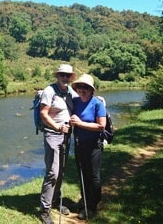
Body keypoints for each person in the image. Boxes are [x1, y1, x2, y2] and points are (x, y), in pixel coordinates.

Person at [38, 64, 78, 224]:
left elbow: (81, 98)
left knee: (61, 170)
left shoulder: (69, 91)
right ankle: (44, 210)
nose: (65, 78)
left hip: (66, 136)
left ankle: (55, 201)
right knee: (52, 172)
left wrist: (97, 100)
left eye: (68, 76)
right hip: (53, 134)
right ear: (57, 76)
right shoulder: (50, 91)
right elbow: (43, 113)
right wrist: (57, 127)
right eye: (62, 75)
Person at [69, 74, 106, 220]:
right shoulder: (75, 101)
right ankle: (84, 200)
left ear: (91, 90)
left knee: (93, 175)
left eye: (86, 87)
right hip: (79, 144)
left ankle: (93, 205)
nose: (82, 89)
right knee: (82, 173)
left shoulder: (97, 103)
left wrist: (79, 123)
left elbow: (101, 126)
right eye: (80, 86)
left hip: (94, 145)